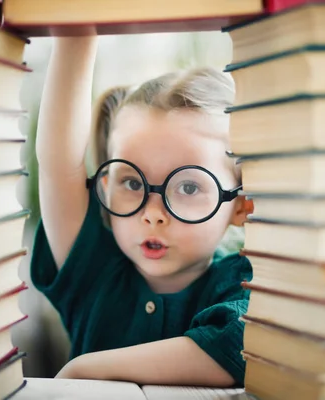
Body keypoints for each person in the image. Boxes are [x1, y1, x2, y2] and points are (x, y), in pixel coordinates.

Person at [31, 35, 253, 387]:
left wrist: (88, 368)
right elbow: (59, 164)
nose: (152, 214)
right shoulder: (92, 269)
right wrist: (78, 37)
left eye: (188, 187)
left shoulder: (242, 281)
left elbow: (241, 345)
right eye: (132, 183)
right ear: (106, 187)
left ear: (240, 205)